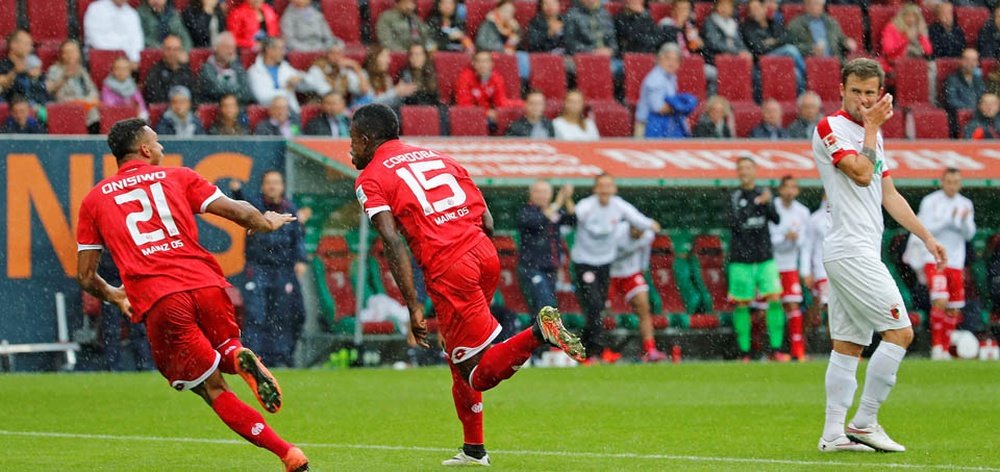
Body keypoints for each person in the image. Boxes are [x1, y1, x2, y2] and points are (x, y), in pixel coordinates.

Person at [350, 103, 584, 466]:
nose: (350, 149)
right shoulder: (439, 157)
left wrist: (414, 305)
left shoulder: (371, 178)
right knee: (457, 354)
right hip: (482, 251)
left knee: (477, 372)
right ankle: (474, 449)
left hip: (449, 266)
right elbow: (487, 220)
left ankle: (539, 333)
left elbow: (392, 241)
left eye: (352, 140)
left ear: (366, 139)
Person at [75, 118, 309, 471]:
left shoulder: (94, 200)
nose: (162, 148)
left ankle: (288, 454)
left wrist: (115, 295)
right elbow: (237, 210)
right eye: (158, 143)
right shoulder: (179, 176)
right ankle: (236, 356)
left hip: (161, 298)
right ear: (144, 149)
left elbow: (86, 275)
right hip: (206, 284)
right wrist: (265, 221)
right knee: (226, 344)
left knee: (213, 390)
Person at [813, 57, 946, 453]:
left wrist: (925, 236)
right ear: (842, 88)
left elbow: (887, 193)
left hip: (856, 250)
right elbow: (860, 173)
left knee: (848, 346)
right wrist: (871, 128)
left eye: (871, 93)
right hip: (850, 250)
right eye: (856, 91)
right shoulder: (830, 127)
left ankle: (833, 435)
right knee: (901, 332)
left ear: (880, 93)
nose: (864, 99)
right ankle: (866, 420)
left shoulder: (874, 135)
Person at [571, 174, 660, 363]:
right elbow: (572, 217)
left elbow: (647, 233)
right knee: (595, 307)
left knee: (641, 306)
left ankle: (649, 350)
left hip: (616, 269)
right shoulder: (594, 212)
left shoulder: (636, 224)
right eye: (601, 186)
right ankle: (594, 350)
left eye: (609, 186)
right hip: (592, 265)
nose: (605, 190)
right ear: (595, 189)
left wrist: (653, 225)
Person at [230, 171, 308, 368]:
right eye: (268, 183)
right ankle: (256, 360)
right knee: (256, 314)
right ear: (263, 186)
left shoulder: (290, 209)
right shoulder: (255, 206)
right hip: (258, 267)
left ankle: (280, 359)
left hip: (283, 269)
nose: (272, 186)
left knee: (283, 315)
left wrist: (301, 259)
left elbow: (298, 237)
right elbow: (241, 206)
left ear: (282, 186)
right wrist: (237, 192)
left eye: (276, 183)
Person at [902, 169, 975, 361]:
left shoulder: (965, 204)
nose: (952, 185)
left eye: (956, 182)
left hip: (956, 260)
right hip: (933, 258)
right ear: (942, 182)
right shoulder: (930, 202)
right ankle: (937, 347)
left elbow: (969, 234)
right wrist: (950, 219)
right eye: (949, 181)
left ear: (960, 183)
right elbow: (926, 228)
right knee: (940, 300)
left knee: (954, 306)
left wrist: (963, 221)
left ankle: (945, 345)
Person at [728, 156, 785, 362]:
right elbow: (735, 223)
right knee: (741, 304)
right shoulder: (734, 196)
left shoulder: (764, 193)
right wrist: (755, 204)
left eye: (748, 168)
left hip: (764, 257)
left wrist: (767, 203)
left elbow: (776, 219)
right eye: (741, 168)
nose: (744, 172)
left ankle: (776, 349)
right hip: (740, 259)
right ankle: (744, 352)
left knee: (775, 299)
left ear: (755, 171)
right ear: (737, 172)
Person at [518, 180, 576, 319]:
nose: (542, 196)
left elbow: (572, 219)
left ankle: (539, 338)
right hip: (531, 267)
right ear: (531, 194)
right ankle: (537, 338)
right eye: (539, 192)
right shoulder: (527, 211)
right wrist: (559, 201)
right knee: (543, 304)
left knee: (548, 307)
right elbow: (539, 220)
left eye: (545, 192)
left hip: (551, 267)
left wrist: (567, 198)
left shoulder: (554, 210)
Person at [768, 175, 811, 361]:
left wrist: (805, 271)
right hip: (771, 264)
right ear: (780, 189)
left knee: (793, 305)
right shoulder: (772, 207)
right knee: (771, 306)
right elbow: (768, 239)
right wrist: (785, 237)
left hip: (790, 266)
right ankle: (771, 350)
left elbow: (805, 243)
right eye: (787, 187)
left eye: (794, 187)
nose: (790, 191)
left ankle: (797, 350)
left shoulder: (803, 212)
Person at [610, 224, 667, 362]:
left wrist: (643, 268)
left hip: (631, 273)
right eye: (637, 230)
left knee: (644, 309)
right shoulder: (616, 233)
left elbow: (645, 251)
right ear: (631, 227)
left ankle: (650, 350)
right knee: (602, 312)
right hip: (611, 274)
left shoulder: (648, 235)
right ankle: (604, 351)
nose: (640, 234)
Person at [740, 0, 805, 93]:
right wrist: (778, 43)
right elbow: (758, 48)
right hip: (762, 60)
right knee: (790, 49)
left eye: (757, 8)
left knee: (796, 74)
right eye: (752, 10)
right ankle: (809, 72)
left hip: (780, 59)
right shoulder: (747, 27)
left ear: (764, 9)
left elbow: (789, 38)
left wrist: (774, 42)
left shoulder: (772, 23)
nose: (755, 12)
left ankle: (801, 99)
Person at [634, 43, 696, 139]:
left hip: (661, 126)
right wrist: (681, 107)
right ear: (660, 59)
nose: (672, 63)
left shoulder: (670, 76)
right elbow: (659, 108)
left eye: (676, 60)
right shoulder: (656, 78)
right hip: (647, 127)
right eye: (668, 59)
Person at [45, 39, 101, 131]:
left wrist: (89, 100)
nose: (70, 55)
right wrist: (63, 77)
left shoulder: (82, 71)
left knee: (95, 113)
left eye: (73, 52)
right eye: (67, 52)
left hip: (85, 106)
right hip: (66, 107)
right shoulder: (55, 70)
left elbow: (92, 90)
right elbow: (49, 90)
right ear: (62, 55)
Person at [303, 40, 371, 107]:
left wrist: (356, 68)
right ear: (326, 54)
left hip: (339, 106)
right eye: (333, 53)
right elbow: (327, 93)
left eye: (339, 53)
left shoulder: (344, 69)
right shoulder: (317, 68)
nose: (336, 56)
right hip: (320, 105)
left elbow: (364, 90)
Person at [247, 37, 305, 113]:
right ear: (269, 50)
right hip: (268, 114)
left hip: (291, 114)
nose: (283, 53)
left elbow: (302, 79)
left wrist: (300, 79)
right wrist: (287, 90)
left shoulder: (284, 67)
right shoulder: (254, 71)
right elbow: (262, 97)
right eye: (280, 49)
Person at [786, 0, 858, 60]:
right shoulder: (796, 24)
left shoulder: (831, 22)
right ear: (806, 6)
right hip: (809, 61)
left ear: (822, 6)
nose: (814, 7)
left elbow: (840, 38)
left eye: (818, 4)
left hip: (834, 60)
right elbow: (793, 45)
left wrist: (846, 42)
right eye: (812, 4)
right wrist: (811, 50)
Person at [455, 50, 511, 124]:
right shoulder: (465, 78)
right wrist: (486, 112)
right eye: (479, 61)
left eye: (486, 61)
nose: (483, 65)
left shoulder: (496, 78)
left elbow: (501, 102)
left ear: (492, 64)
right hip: (469, 117)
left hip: (489, 115)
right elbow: (464, 105)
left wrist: (523, 105)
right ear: (473, 64)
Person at [800, 194, 832, 324]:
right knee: (827, 307)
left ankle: (836, 343)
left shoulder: (846, 216)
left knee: (837, 311)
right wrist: (805, 271)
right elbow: (807, 247)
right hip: (822, 272)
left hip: (841, 271)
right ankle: (807, 337)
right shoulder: (815, 219)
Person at [198, 32, 254, 104]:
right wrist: (237, 90)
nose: (230, 51)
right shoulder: (207, 68)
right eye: (227, 47)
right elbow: (216, 90)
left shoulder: (237, 66)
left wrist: (231, 95)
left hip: (239, 109)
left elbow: (247, 92)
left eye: (233, 48)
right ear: (216, 48)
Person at [879, 3, 933, 78]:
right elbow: (888, 51)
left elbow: (928, 51)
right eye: (908, 15)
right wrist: (906, 39)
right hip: (898, 62)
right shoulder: (891, 28)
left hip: (918, 61)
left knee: (931, 68)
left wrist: (921, 36)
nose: (912, 19)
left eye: (915, 17)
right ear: (902, 16)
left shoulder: (919, 30)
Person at [0, 30, 49, 105]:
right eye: (26, 44)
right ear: (13, 45)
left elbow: (46, 89)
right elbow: (4, 81)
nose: (30, 48)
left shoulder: (32, 65)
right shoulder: (3, 65)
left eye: (30, 44)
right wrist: (15, 72)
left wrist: (36, 78)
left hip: (39, 107)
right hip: (16, 109)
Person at [943, 48, 986, 135]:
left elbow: (983, 97)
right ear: (961, 61)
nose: (971, 63)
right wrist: (972, 109)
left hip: (978, 116)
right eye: (967, 59)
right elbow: (951, 101)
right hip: (957, 117)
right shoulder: (952, 79)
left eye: (974, 60)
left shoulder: (978, 80)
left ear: (977, 63)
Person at [144, 35, 197, 104]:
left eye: (176, 49)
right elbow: (154, 98)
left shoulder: (186, 70)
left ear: (181, 51)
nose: (172, 53)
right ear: (163, 50)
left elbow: (194, 95)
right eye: (168, 49)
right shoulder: (155, 72)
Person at [702, 0, 752, 66]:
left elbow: (739, 42)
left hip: (734, 59)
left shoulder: (733, 23)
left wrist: (745, 51)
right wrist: (736, 52)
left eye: (727, 5)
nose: (724, 8)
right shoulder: (710, 22)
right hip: (715, 60)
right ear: (716, 7)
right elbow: (714, 43)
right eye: (721, 5)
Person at [101, 56, 149, 121]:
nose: (121, 72)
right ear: (113, 70)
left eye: (124, 69)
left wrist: (141, 112)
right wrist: (128, 107)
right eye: (118, 68)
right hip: (115, 117)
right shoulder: (107, 85)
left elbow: (140, 103)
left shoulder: (132, 84)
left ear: (129, 71)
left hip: (132, 117)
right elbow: (109, 105)